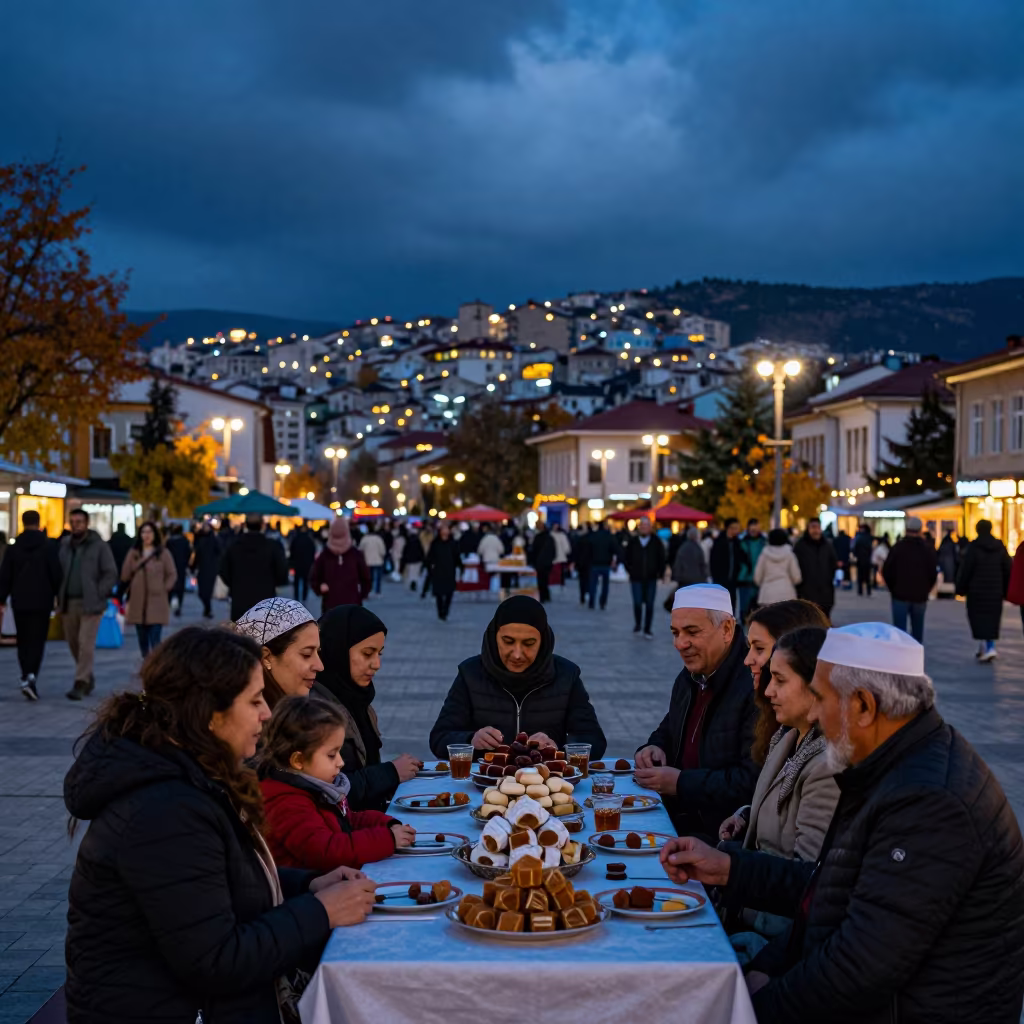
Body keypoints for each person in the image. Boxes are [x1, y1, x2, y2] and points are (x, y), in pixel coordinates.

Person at [660, 622, 1024, 1023]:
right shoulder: (885, 764)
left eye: (820, 697)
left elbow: (861, 966)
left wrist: (757, 1010)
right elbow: (823, 891)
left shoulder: (929, 800)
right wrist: (731, 870)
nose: (814, 712)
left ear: (864, 707)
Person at [63, 626, 377, 1024]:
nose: (267, 712)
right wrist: (320, 912)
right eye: (254, 700)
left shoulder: (192, 774)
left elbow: (215, 882)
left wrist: (308, 884)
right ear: (210, 715)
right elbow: (216, 960)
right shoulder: (164, 809)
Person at [719, 627, 840, 960]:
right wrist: (746, 817)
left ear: (817, 687)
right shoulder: (789, 736)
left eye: (780, 680)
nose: (768, 690)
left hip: (773, 936)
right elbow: (777, 808)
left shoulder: (826, 765)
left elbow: (806, 881)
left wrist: (729, 869)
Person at [633, 583, 758, 839]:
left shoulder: (752, 685)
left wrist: (680, 783)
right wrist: (653, 748)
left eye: (691, 632)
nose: (680, 644)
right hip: (673, 818)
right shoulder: (690, 676)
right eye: (675, 632)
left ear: (726, 629)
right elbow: (671, 727)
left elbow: (750, 780)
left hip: (719, 835)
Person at [429, 594, 607, 759]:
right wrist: (471, 740)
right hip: (485, 783)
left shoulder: (567, 675)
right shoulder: (471, 673)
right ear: (494, 637)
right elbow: (440, 738)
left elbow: (594, 740)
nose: (517, 654)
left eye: (529, 644)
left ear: (543, 642)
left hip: (546, 785)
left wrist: (558, 747)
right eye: (508, 642)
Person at [258, 696, 414, 870]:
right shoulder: (287, 803)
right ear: (298, 760)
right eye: (332, 755)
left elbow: (348, 820)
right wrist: (387, 839)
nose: (340, 762)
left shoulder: (316, 788)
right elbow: (326, 851)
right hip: (312, 890)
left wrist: (386, 824)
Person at [313, 605, 422, 812]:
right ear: (338, 650)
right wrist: (390, 773)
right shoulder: (317, 709)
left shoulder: (357, 699)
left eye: (379, 653)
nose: (377, 664)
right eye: (367, 653)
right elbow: (327, 791)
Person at [0, 509, 62, 700]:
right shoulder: (49, 547)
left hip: (20, 600)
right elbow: (56, 574)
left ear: (22, 522)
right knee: (38, 639)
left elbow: (5, 576)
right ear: (38, 522)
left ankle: (26, 674)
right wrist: (57, 596)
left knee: (24, 640)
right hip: (42, 601)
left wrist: (2, 599)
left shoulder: (14, 547)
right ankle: (32, 675)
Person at [59, 508, 118, 701]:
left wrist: (99, 592)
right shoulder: (65, 545)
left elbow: (111, 572)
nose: (76, 525)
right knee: (74, 644)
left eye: (79, 522)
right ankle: (87, 676)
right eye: (73, 521)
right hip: (69, 602)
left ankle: (80, 682)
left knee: (86, 643)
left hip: (91, 603)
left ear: (87, 524)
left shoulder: (99, 546)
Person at [235, 597, 324, 708]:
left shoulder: (315, 706)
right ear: (266, 657)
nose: (320, 666)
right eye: (306, 654)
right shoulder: (250, 720)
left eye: (318, 653)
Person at [956, 519, 1012, 661]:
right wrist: (1006, 590)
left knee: (978, 618)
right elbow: (1008, 569)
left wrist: (961, 588)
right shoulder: (999, 547)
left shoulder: (973, 547)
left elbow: (966, 570)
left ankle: (987, 646)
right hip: (995, 590)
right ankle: (988, 645)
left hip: (976, 591)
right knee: (992, 619)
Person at [120, 521, 178, 657]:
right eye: (143, 532)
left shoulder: (163, 553)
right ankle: (146, 664)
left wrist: (165, 588)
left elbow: (172, 574)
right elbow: (125, 575)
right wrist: (133, 561)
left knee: (155, 638)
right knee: (142, 639)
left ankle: (156, 665)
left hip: (157, 601)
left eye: (149, 532)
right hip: (137, 601)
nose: (146, 535)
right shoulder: (134, 553)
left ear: (155, 534)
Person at [219, 514, 289, 622]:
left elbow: (223, 571)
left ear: (245, 525)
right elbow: (282, 572)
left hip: (240, 600)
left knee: (241, 636)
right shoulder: (272, 547)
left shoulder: (234, 547)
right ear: (262, 525)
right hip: (266, 601)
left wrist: (234, 584)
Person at [881, 516, 938, 642]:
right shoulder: (927, 549)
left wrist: (893, 589)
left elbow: (887, 571)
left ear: (906, 529)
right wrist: (926, 589)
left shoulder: (898, 547)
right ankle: (915, 656)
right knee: (918, 630)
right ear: (920, 530)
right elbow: (933, 573)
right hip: (919, 596)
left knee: (899, 631)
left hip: (900, 595)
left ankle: (901, 656)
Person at [310, 517, 370, 613]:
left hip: (330, 605)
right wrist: (360, 594)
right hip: (352, 604)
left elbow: (314, 577)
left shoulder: (325, 554)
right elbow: (366, 578)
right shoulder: (355, 554)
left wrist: (320, 587)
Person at [624, 516, 667, 638]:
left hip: (651, 578)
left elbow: (662, 558)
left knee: (649, 604)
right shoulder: (633, 541)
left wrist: (661, 573)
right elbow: (626, 557)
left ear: (650, 527)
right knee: (637, 603)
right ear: (639, 527)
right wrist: (630, 570)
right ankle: (638, 624)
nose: (644, 527)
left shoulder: (656, 542)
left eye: (646, 525)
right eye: (642, 525)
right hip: (636, 578)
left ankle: (648, 628)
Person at [793, 517, 838, 620]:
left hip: (825, 590)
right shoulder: (800, 545)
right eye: (813, 527)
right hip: (806, 590)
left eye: (817, 527)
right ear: (808, 529)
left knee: (824, 618)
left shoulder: (827, 545)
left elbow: (833, 563)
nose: (815, 530)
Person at [753, 529, 802, 606]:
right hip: (787, 594)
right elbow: (797, 578)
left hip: (767, 595)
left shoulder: (764, 554)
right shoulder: (790, 554)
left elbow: (757, 577)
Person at [424, 521, 461, 621]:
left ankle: (446, 610)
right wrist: (429, 567)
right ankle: (440, 611)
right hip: (438, 571)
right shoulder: (435, 543)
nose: (445, 531)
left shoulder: (453, 543)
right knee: (439, 593)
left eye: (446, 529)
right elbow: (430, 557)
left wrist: (461, 567)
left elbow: (457, 557)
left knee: (449, 592)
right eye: (443, 529)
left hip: (450, 570)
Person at [709, 518, 749, 609]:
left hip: (733, 581)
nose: (737, 531)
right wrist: (716, 576)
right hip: (720, 580)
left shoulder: (737, 543)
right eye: (735, 528)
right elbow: (713, 561)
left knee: (731, 605)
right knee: (720, 606)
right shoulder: (719, 542)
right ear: (729, 528)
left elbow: (743, 558)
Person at [191, 520, 222, 618]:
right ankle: (207, 608)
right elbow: (197, 554)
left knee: (207, 591)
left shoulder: (214, 539)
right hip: (202, 568)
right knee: (201, 592)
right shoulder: (200, 539)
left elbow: (220, 552)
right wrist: (193, 566)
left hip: (211, 569)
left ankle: (208, 610)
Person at [737, 519, 766, 621]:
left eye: (756, 527)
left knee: (760, 612)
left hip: (761, 581)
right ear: (748, 528)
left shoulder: (764, 543)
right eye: (752, 527)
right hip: (745, 580)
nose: (753, 529)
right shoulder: (741, 542)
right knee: (744, 610)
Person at [586, 520, 617, 610]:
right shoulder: (609, 536)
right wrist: (614, 560)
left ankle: (592, 602)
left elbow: (588, 550)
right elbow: (615, 549)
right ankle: (602, 603)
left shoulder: (593, 536)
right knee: (605, 586)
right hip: (605, 564)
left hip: (594, 563)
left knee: (593, 584)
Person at [164, 524, 192, 616]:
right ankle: (178, 606)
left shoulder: (169, 541)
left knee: (171, 586)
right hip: (181, 567)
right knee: (180, 588)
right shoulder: (185, 541)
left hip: (170, 567)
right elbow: (188, 553)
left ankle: (169, 604)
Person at [288, 523, 317, 603]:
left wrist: (291, 562)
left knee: (297, 582)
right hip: (306, 564)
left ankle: (297, 597)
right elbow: (313, 551)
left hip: (297, 563)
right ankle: (304, 598)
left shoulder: (296, 539)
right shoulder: (309, 539)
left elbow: (292, 551)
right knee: (305, 582)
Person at [530, 520, 556, 603]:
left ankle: (543, 596)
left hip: (539, 562)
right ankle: (546, 595)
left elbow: (533, 550)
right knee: (546, 578)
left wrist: (533, 561)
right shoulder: (550, 538)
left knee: (541, 579)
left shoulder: (538, 538)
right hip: (548, 562)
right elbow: (553, 551)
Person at [358, 525, 387, 597]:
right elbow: (382, 551)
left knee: (369, 577)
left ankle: (368, 590)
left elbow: (360, 549)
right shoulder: (378, 539)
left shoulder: (364, 539)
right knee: (378, 577)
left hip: (367, 561)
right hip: (378, 560)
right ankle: (377, 591)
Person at [571, 525, 593, 605]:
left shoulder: (579, 540)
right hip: (589, 563)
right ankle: (587, 593)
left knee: (582, 581)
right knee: (588, 579)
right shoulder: (590, 540)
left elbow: (575, 552)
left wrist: (574, 562)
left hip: (581, 563)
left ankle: (582, 596)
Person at [400, 526, 425, 591]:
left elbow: (405, 551)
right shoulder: (418, 541)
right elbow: (421, 550)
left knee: (411, 572)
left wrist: (404, 559)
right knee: (415, 572)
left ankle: (412, 582)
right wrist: (422, 558)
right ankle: (414, 581)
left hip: (410, 559)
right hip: (417, 559)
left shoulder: (408, 541)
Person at [853, 523, 874, 596]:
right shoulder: (868, 537)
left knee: (860, 576)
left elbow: (855, 547)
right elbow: (870, 548)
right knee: (867, 576)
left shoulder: (859, 537)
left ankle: (860, 591)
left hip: (860, 558)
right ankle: (868, 591)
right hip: (867, 559)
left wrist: (855, 555)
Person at [551, 522, 572, 586]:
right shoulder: (562, 535)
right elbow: (567, 548)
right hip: (560, 557)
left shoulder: (551, 535)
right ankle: (560, 582)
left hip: (555, 557)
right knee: (560, 572)